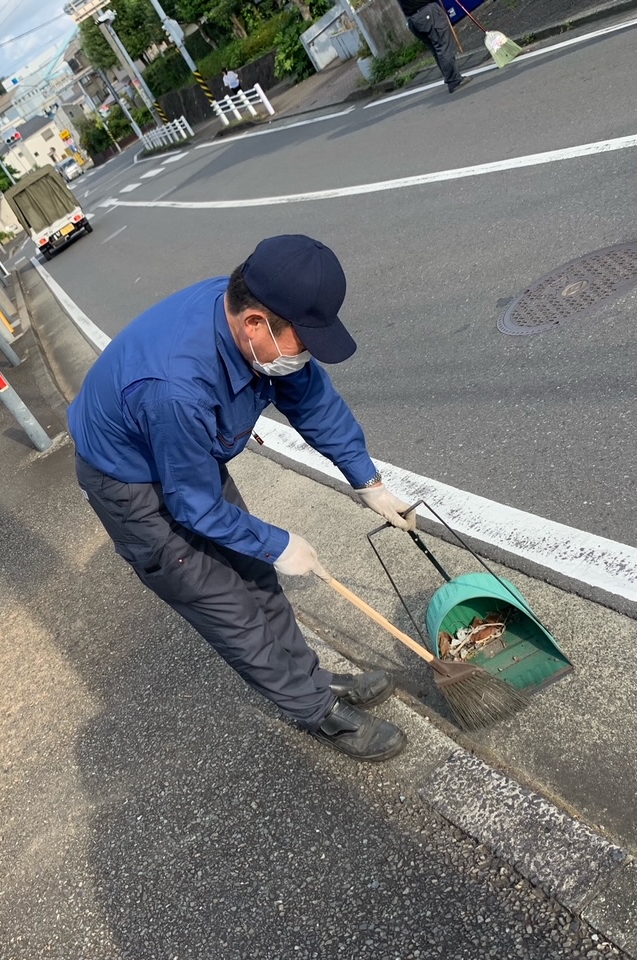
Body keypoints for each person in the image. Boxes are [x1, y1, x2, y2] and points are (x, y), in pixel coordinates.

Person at [68, 235, 418, 762]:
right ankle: (316, 712)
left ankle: (310, 678)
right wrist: (279, 541)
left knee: (257, 578)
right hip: (134, 485)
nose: (306, 356)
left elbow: (314, 403)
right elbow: (191, 505)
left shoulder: (255, 322)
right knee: (229, 606)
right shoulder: (176, 386)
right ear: (256, 324)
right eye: (305, 342)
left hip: (188, 456)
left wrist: (367, 482)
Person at [398, 0, 470, 93]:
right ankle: (454, 80)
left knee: (437, 49)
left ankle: (452, 78)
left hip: (413, 19)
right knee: (443, 46)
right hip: (426, 12)